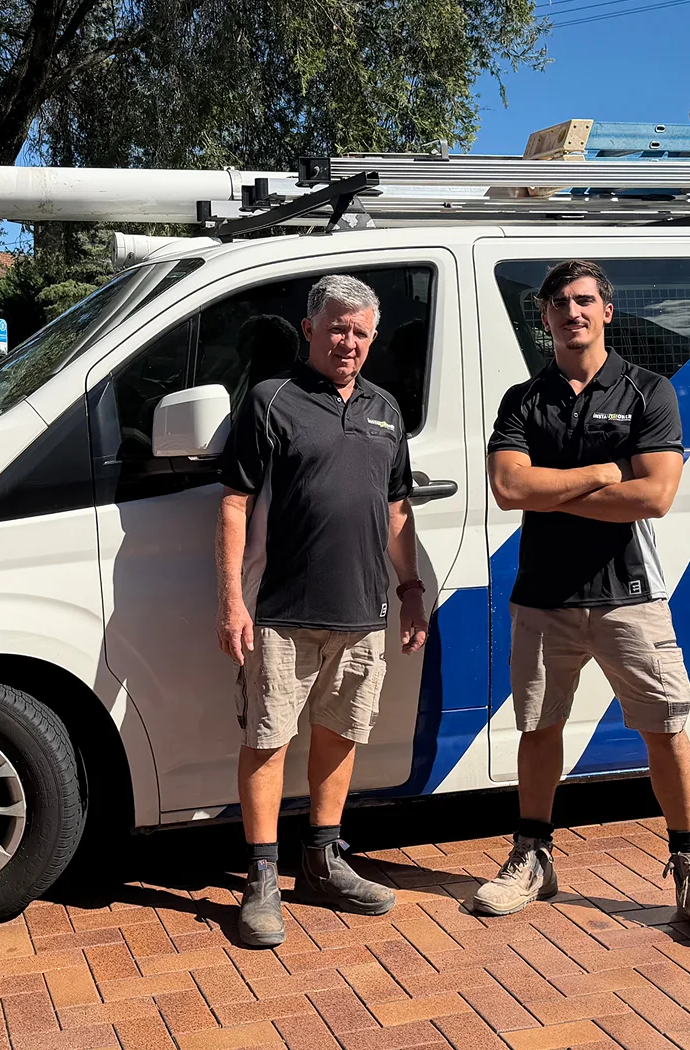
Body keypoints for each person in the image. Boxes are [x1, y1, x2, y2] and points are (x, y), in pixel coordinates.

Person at [476, 259, 690, 939]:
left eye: (584, 300)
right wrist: (601, 471)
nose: (572, 312)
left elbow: (655, 495)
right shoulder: (521, 401)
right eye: (559, 303)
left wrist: (554, 487)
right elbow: (510, 490)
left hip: (631, 597)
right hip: (543, 596)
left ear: (606, 311)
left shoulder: (650, 390)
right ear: (544, 318)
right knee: (538, 731)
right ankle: (532, 858)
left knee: (665, 730)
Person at [215, 274, 431, 948]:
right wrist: (229, 601)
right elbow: (232, 503)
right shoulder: (271, 400)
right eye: (338, 327)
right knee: (267, 741)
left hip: (363, 612)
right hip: (279, 609)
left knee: (341, 737)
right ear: (309, 329)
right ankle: (260, 877)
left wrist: (410, 587)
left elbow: (397, 510)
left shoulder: (386, 410)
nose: (349, 342)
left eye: (361, 331)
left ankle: (323, 861)